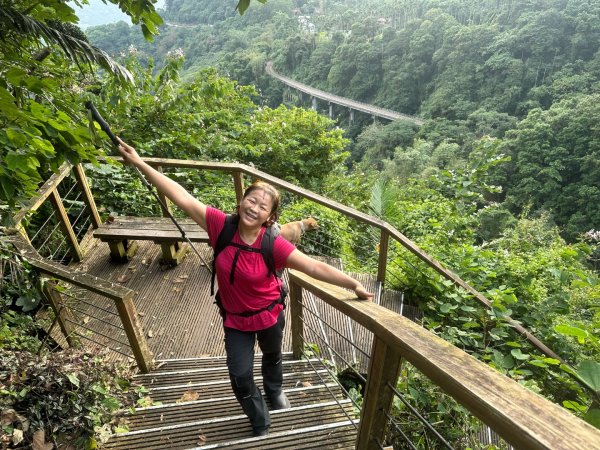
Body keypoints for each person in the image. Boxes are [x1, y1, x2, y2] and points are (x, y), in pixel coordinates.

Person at [116, 138, 373, 436]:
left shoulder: (273, 244)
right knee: (239, 376)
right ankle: (260, 419)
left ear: (270, 217)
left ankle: (274, 390)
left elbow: (314, 266)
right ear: (241, 201)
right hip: (235, 320)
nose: (254, 208)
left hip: (269, 314)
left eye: (263, 206)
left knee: (273, 355)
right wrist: (139, 162)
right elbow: (181, 196)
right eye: (251, 200)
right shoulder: (220, 226)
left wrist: (353, 283)